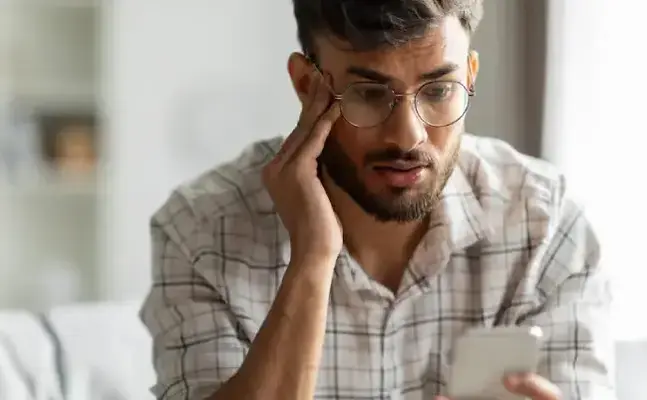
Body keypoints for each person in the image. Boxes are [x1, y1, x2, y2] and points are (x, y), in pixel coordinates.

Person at [140, 0, 615, 399]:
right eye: (369, 93)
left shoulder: (546, 226)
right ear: (307, 85)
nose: (408, 135)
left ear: (470, 76)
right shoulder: (202, 232)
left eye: (439, 90)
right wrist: (313, 257)